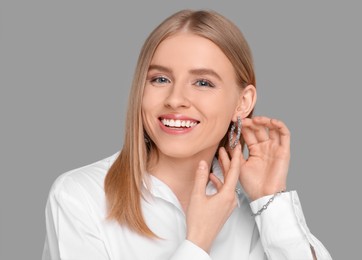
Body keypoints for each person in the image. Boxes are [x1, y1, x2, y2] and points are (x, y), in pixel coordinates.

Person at [42, 9, 332, 260]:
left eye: (203, 82)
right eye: (160, 79)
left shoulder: (253, 207)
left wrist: (271, 200)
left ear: (242, 103)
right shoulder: (80, 196)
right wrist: (197, 242)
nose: (175, 98)